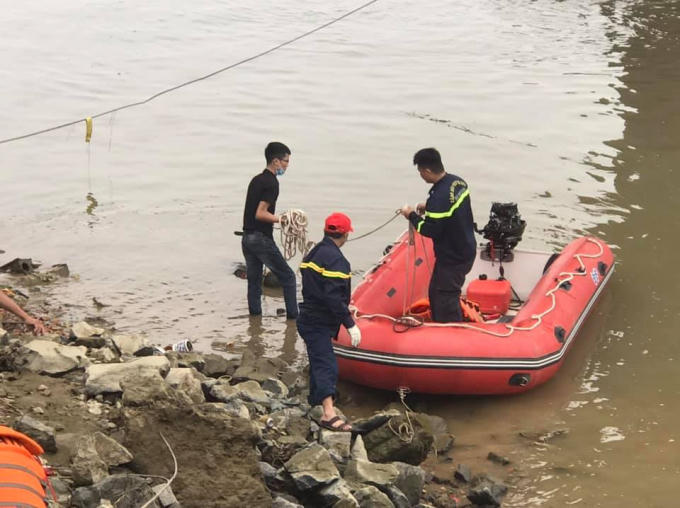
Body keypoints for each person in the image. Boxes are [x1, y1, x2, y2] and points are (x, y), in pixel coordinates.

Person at [297, 212, 361, 432]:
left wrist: (342, 309)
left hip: (307, 315)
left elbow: (317, 287)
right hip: (319, 321)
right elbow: (333, 297)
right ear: (346, 234)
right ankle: (328, 413)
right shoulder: (337, 261)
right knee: (327, 364)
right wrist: (350, 324)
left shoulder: (314, 252)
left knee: (317, 359)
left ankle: (315, 400)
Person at [400, 147, 476, 322]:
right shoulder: (457, 182)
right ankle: (440, 322)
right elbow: (450, 208)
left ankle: (452, 330)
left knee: (445, 298)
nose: (421, 175)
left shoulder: (439, 197)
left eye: (420, 172)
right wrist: (428, 206)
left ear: (427, 171)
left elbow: (429, 230)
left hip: (453, 257)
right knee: (435, 292)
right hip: (464, 247)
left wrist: (410, 215)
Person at [241, 142, 298, 319]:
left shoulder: (256, 180)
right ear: (275, 161)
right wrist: (282, 219)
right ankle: (293, 320)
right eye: (286, 161)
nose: (287, 165)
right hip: (260, 239)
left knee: (254, 281)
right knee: (288, 277)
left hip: (247, 238)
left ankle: (255, 320)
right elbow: (260, 213)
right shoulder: (272, 183)